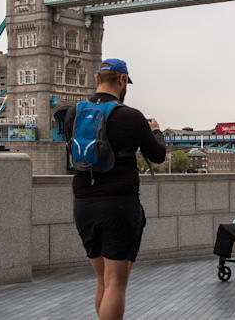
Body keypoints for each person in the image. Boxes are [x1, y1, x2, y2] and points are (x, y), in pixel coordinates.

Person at [64, 58, 166, 320]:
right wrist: (156, 132)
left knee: (103, 280)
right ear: (122, 80)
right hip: (118, 206)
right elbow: (158, 155)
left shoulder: (73, 113)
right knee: (116, 284)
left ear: (97, 79)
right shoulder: (131, 116)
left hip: (83, 204)